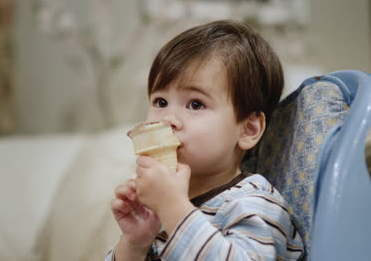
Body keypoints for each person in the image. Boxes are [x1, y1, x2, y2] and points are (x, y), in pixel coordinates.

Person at [106, 20, 304, 261]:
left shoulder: (253, 203)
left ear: (248, 130)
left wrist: (172, 207)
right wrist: (135, 243)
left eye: (195, 104)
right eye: (160, 102)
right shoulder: (160, 206)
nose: (168, 119)